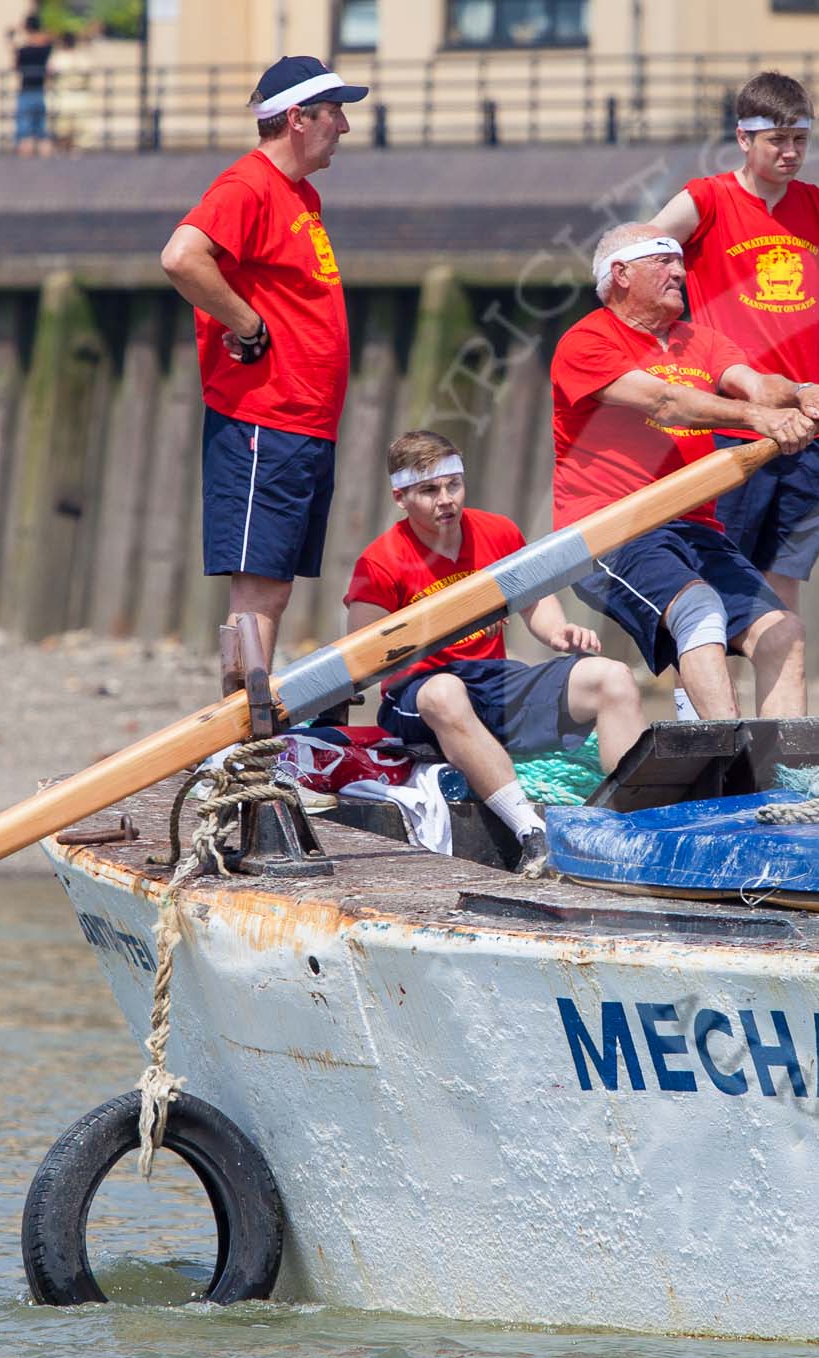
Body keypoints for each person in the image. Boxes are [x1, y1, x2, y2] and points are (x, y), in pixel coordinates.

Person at [550, 224, 819, 720]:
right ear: (621, 274)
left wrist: (808, 394)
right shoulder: (586, 342)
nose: (680, 271)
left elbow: (757, 386)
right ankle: (730, 755)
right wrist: (759, 419)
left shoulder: (701, 340)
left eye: (680, 261)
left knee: (783, 632)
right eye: (663, 262)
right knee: (698, 606)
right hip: (614, 529)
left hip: (697, 527)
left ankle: (786, 777)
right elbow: (666, 401)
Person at [344, 431, 648, 878]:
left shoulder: (498, 531)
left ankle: (633, 827)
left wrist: (558, 631)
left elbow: (536, 601)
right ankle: (531, 832)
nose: (445, 499)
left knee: (612, 676)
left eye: (453, 485)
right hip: (419, 694)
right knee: (444, 692)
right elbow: (362, 654)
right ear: (401, 497)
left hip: (494, 680)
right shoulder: (379, 561)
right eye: (429, 490)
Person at [158, 55, 366, 696]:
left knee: (272, 587)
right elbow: (181, 257)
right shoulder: (247, 187)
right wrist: (247, 325)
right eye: (334, 113)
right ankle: (242, 738)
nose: (345, 128)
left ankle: (251, 728)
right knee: (255, 589)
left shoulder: (301, 195)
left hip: (303, 423)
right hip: (261, 421)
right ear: (297, 119)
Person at [647, 71, 819, 623]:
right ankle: (699, 706)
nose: (791, 153)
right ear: (744, 138)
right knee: (716, 574)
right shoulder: (706, 199)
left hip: (808, 429)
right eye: (778, 141)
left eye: (800, 140)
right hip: (728, 425)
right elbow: (636, 257)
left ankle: (781, 712)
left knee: (783, 585)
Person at [7, 16, 52, 157]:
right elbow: (48, 39)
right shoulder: (45, 48)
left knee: (24, 136)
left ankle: (24, 173)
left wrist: (17, 35)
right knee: (42, 134)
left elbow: (15, 66)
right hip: (40, 91)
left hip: (26, 91)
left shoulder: (23, 50)